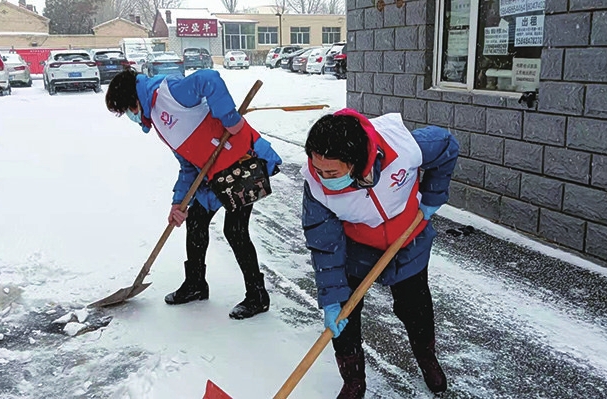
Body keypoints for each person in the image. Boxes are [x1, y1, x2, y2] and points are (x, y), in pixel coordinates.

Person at [300, 109, 459, 398]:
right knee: (344, 318)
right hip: (357, 248)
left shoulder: (403, 147)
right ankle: (353, 380)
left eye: (332, 173)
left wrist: (434, 196)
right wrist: (333, 299)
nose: (323, 178)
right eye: (318, 169)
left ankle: (427, 359)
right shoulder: (316, 188)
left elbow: (446, 144)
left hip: (408, 240)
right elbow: (325, 244)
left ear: (356, 161)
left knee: (416, 309)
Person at [104, 69, 282, 320]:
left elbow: (208, 79)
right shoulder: (157, 119)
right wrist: (179, 202)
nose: (131, 116)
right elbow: (188, 164)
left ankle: (257, 295)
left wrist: (230, 119)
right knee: (196, 220)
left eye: (128, 111)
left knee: (235, 229)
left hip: (242, 162)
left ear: (134, 101)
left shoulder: (168, 92)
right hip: (213, 174)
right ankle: (196, 284)